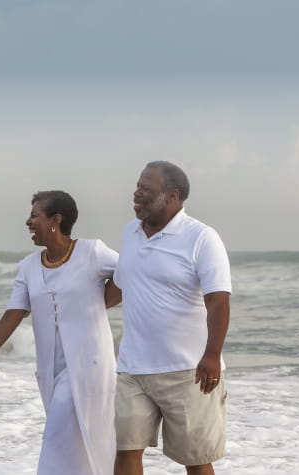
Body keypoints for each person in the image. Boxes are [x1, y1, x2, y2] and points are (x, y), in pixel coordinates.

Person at [0, 190, 119, 475]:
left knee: (58, 437)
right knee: (76, 443)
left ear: (56, 220)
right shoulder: (29, 267)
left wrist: (101, 300)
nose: (28, 222)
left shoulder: (92, 252)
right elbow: (12, 316)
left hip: (89, 364)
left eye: (34, 215)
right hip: (50, 370)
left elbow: (131, 272)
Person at [106, 161, 232, 475]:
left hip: (188, 371)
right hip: (133, 369)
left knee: (196, 459)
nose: (136, 193)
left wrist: (212, 355)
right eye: (137, 186)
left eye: (146, 189)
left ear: (172, 196)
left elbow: (218, 299)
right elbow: (119, 287)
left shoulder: (201, 238)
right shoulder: (130, 233)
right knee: (124, 452)